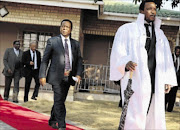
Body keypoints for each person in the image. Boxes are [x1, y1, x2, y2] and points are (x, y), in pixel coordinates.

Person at [110, 0, 177, 129]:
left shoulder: (160, 34)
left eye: (155, 9)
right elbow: (118, 51)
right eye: (149, 9)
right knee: (133, 114)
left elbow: (167, 58)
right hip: (135, 78)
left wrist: (167, 79)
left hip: (154, 79)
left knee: (153, 112)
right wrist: (125, 62)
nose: (153, 11)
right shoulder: (127, 29)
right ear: (141, 11)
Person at [39, 19, 83, 130]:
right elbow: (45, 60)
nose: (64, 28)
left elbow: (79, 61)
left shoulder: (75, 44)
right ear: (60, 28)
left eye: (67, 27)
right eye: (63, 26)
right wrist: (42, 75)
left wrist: (78, 74)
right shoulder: (52, 41)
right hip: (56, 77)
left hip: (69, 77)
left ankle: (52, 120)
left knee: (60, 100)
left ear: (71, 29)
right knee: (59, 100)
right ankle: (62, 126)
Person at [165, 46, 180, 112]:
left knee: (173, 95)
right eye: (177, 51)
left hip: (177, 79)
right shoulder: (170, 57)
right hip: (169, 78)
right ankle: (163, 108)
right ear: (175, 51)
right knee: (167, 93)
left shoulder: (179, 59)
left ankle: (170, 109)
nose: (177, 53)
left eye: (179, 52)